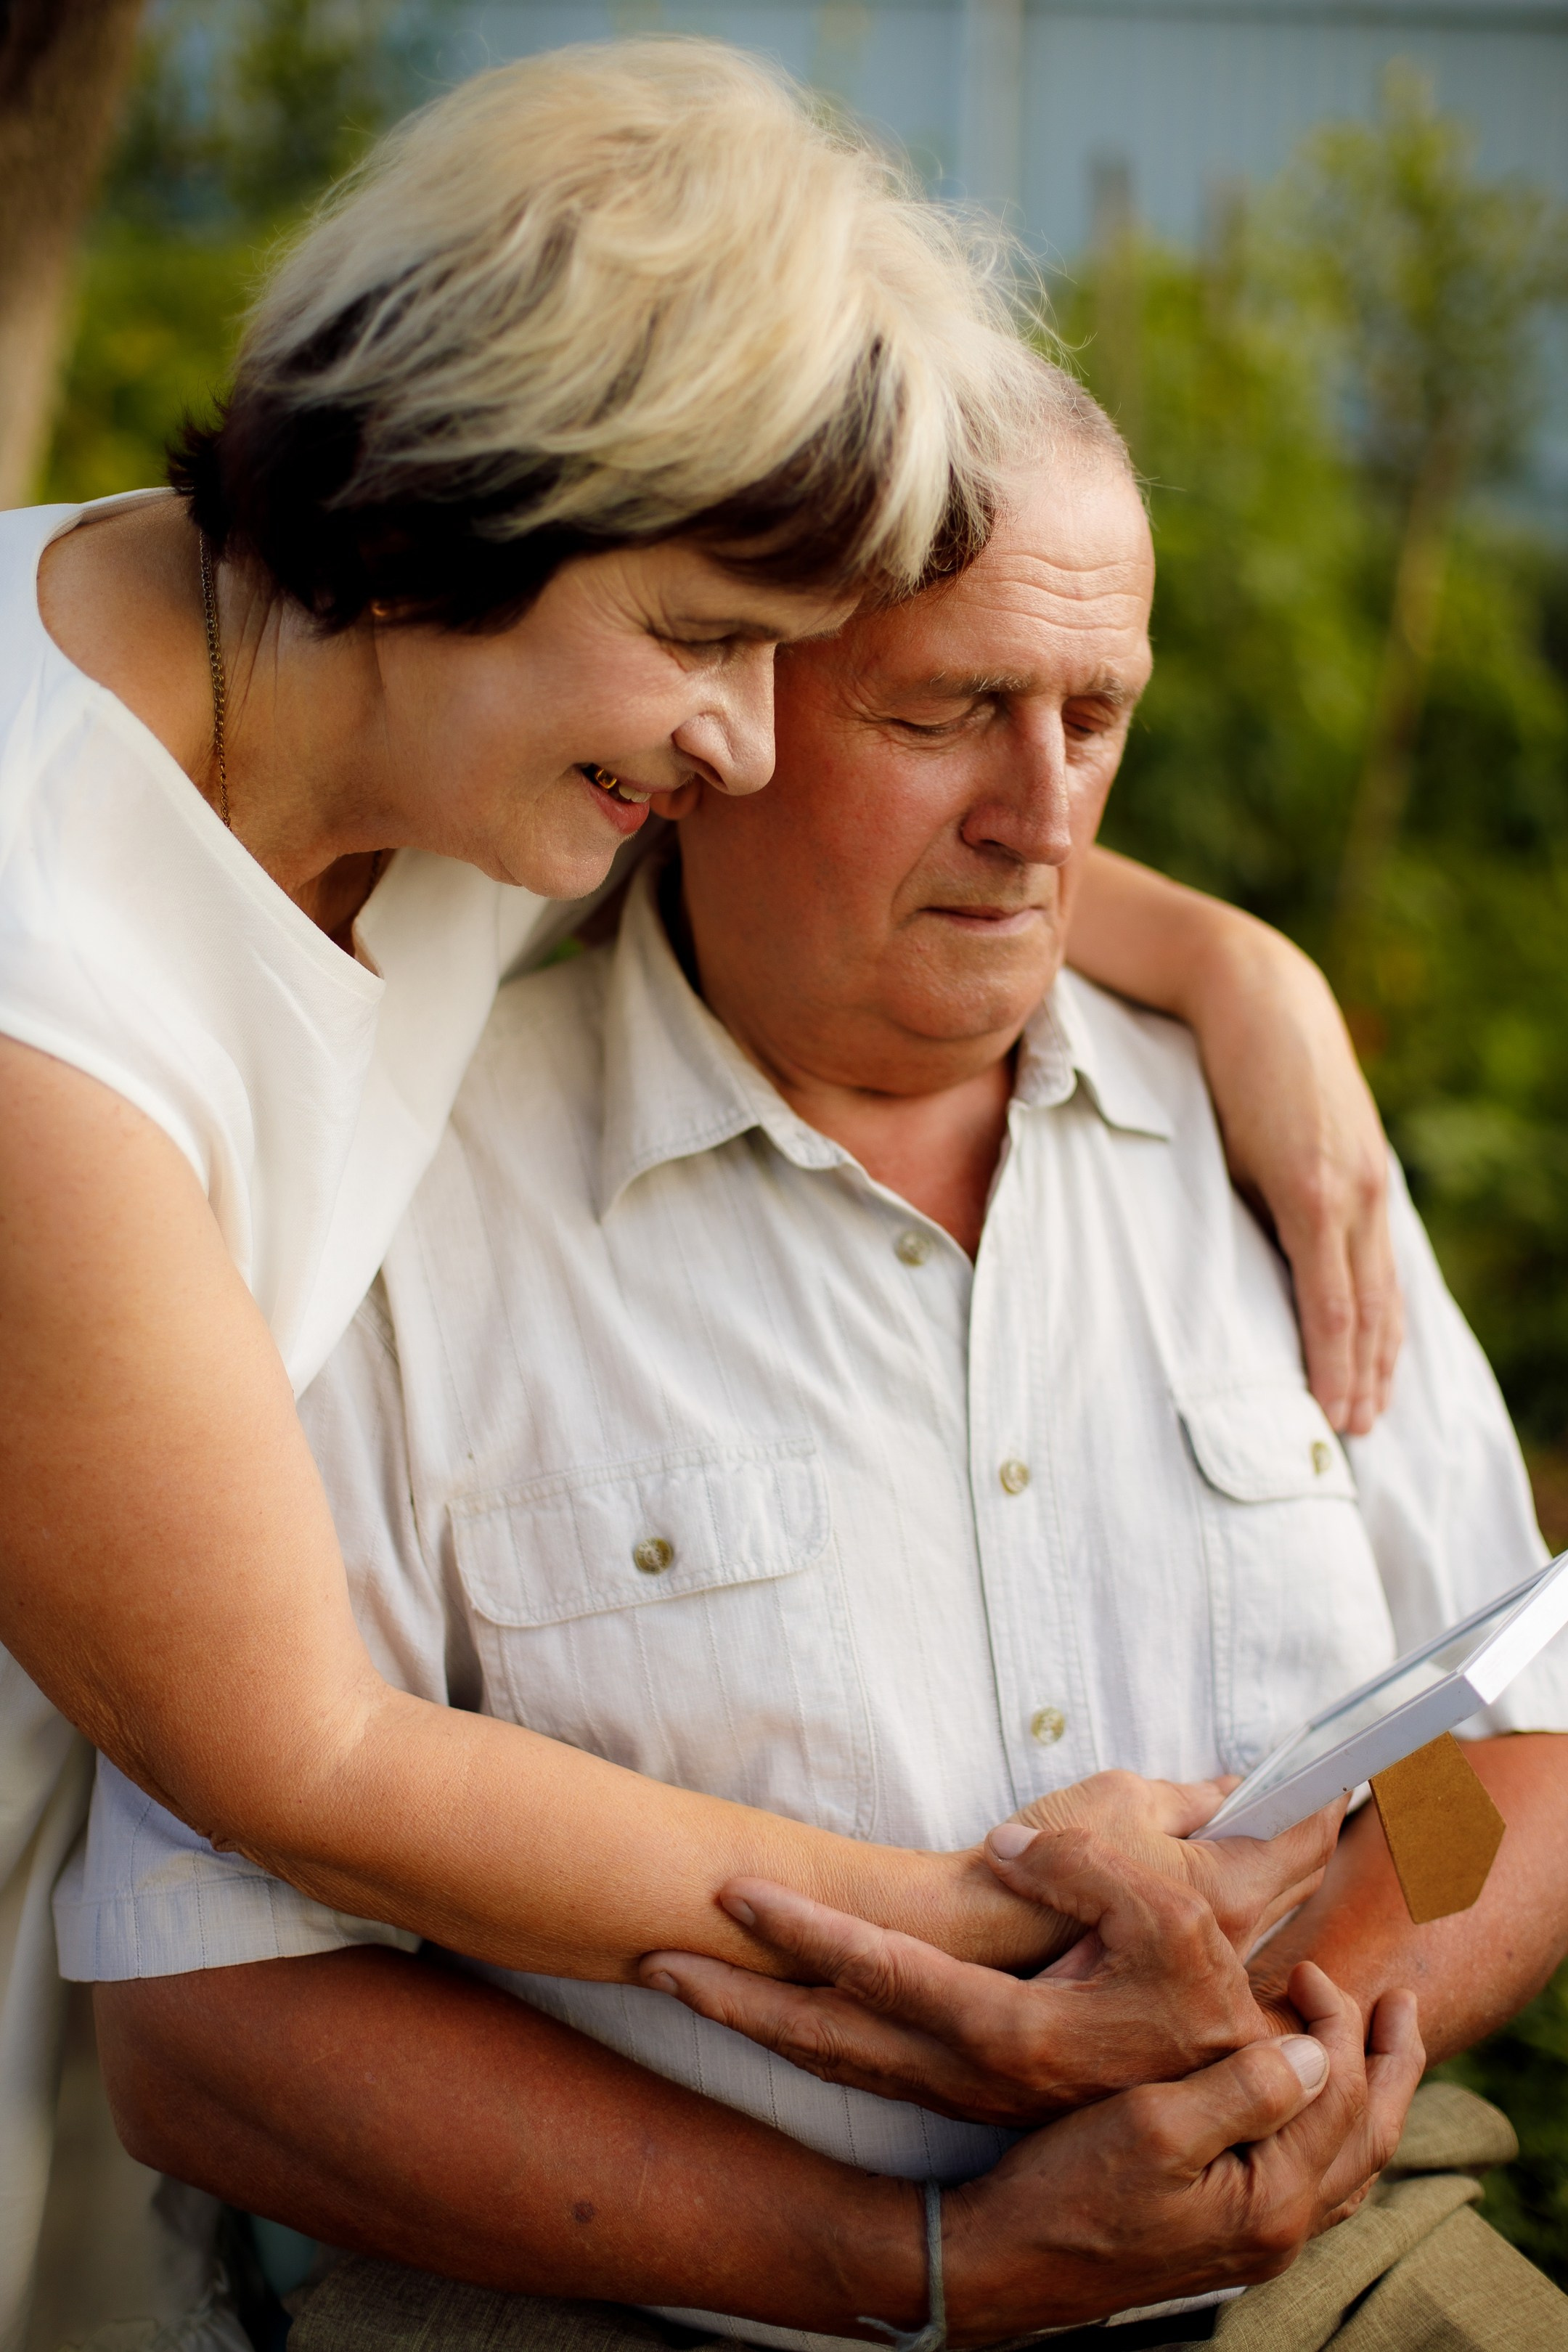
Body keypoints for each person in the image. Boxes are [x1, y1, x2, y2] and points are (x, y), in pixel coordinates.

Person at [0, 38, 1399, 2339]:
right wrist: (1002, 1957)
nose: (743, 740)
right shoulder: (49, 992)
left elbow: (914, 821)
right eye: (709, 640)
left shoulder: (389, 696)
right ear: (431, 511)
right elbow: (304, 1756)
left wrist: (1232, 967)